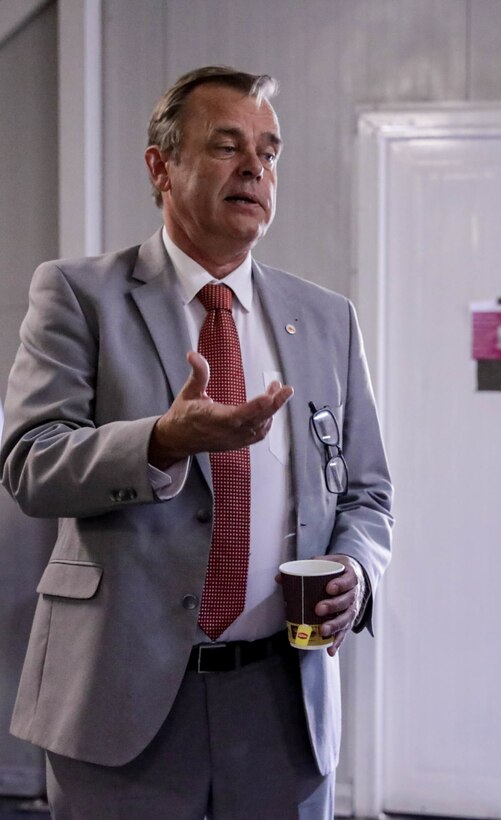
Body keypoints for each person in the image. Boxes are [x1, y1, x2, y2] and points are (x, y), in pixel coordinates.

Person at [0, 65, 392, 819]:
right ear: (161, 166)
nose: (255, 168)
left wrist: (358, 569)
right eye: (226, 146)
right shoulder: (80, 296)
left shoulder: (326, 319)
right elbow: (29, 463)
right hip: (122, 702)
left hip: (285, 701)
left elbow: (369, 491)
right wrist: (160, 443)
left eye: (270, 152)